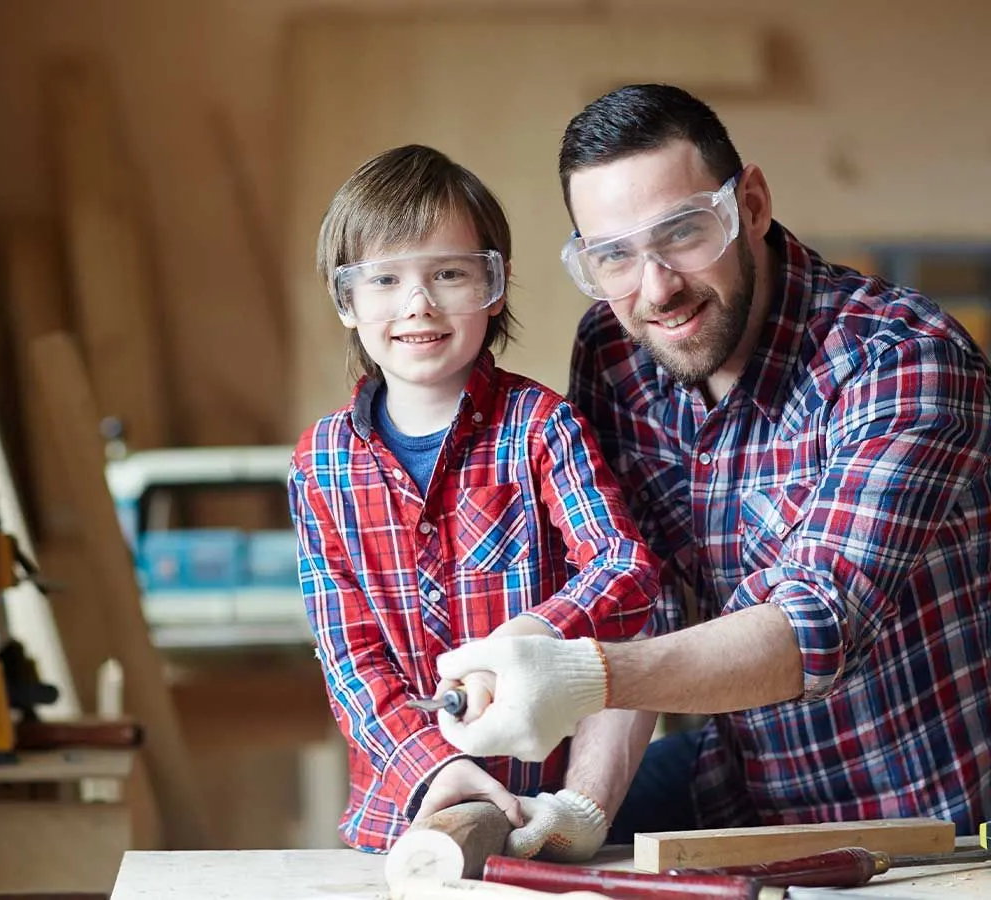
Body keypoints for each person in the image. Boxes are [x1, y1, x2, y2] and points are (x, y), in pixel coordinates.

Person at [436, 83, 991, 852]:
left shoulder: (902, 358)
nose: (656, 288)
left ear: (751, 205)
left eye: (685, 233)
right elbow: (642, 603)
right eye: (614, 256)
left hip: (922, 812)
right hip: (738, 783)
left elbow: (814, 627)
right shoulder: (615, 350)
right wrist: (584, 810)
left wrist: (579, 673)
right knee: (508, 847)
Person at [287, 144, 665, 856]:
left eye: (450, 274)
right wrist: (437, 767)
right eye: (384, 279)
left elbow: (626, 571)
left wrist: (536, 631)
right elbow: (349, 657)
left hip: (543, 815)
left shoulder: (541, 429)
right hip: (405, 816)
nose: (417, 304)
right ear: (347, 300)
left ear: (496, 286)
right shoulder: (320, 466)